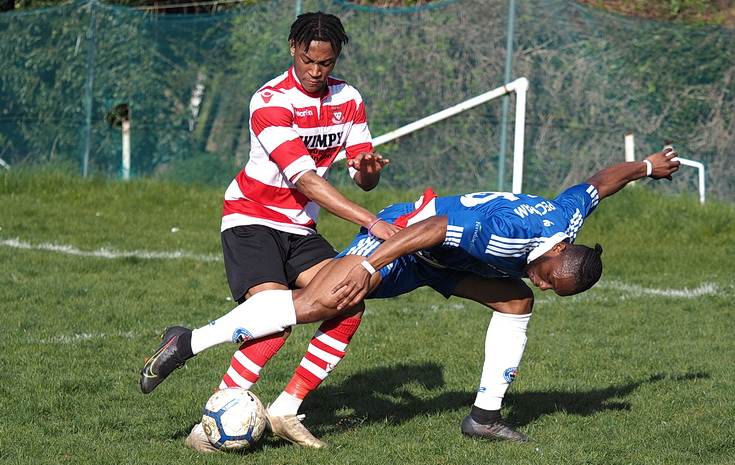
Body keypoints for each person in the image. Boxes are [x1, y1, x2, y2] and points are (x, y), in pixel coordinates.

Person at [140, 149, 680, 449]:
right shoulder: (504, 236)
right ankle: (189, 340)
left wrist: (648, 168)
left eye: (553, 287)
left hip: (444, 260)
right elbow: (432, 228)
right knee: (322, 306)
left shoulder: (566, 223)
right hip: (405, 238)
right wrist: (370, 264)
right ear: (550, 259)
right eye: (546, 278)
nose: (543, 283)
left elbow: (600, 181)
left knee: (515, 302)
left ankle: (483, 417)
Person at [139, 11, 400, 452]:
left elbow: (361, 173)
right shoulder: (270, 100)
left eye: (327, 63)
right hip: (252, 218)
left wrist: (368, 171)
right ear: (293, 50)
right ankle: (205, 422)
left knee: (348, 300)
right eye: (309, 61)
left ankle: (285, 408)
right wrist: (370, 220)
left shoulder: (349, 98)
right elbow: (304, 179)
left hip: (300, 227)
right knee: (273, 324)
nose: (317, 71)